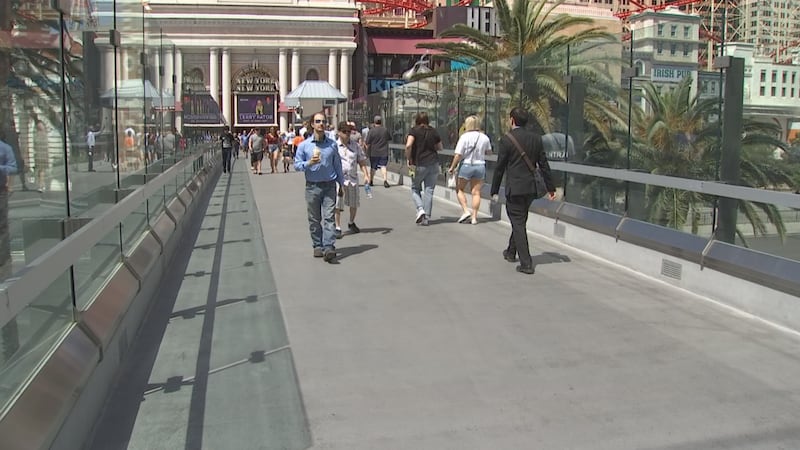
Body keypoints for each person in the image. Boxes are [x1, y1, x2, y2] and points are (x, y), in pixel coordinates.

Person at [490, 107, 556, 275]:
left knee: (518, 222)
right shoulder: (536, 139)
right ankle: (511, 252)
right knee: (519, 220)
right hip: (530, 189)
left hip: (515, 188)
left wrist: (494, 190)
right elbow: (544, 164)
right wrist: (551, 187)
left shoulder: (507, 140)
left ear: (512, 120)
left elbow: (499, 168)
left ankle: (526, 263)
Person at [294, 112, 344, 263]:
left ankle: (329, 247)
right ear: (312, 124)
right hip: (312, 186)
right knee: (314, 219)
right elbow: (296, 165)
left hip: (329, 185)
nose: (321, 124)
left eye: (323, 121)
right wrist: (309, 163)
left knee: (329, 218)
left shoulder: (332, 144)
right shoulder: (304, 145)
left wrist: (341, 184)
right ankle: (317, 245)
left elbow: (337, 165)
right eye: (317, 121)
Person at [447, 115, 492, 225]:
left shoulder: (464, 137)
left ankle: (466, 210)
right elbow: (489, 152)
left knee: (460, 189)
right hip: (480, 166)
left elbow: (458, 154)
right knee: (476, 193)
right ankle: (474, 218)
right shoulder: (484, 137)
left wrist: (452, 167)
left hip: (466, 165)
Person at [405, 112, 443, 226]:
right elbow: (440, 147)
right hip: (433, 163)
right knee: (429, 190)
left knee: (415, 188)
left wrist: (409, 158)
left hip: (419, 163)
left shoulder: (414, 131)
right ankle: (426, 218)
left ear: (417, 120)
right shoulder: (434, 131)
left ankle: (420, 208)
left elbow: (408, 145)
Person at [334, 121, 370, 238]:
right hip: (339, 179)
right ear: (339, 132)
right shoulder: (334, 146)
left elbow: (362, 160)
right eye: (344, 132)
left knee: (354, 203)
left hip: (353, 178)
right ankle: (337, 227)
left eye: (349, 132)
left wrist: (366, 174)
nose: (347, 134)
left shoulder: (355, 145)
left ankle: (351, 222)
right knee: (338, 204)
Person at [364, 115, 392, 188]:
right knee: (383, 166)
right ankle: (385, 180)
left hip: (374, 152)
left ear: (374, 122)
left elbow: (367, 142)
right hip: (384, 152)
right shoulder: (385, 130)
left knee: (373, 167)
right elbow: (389, 138)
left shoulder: (371, 131)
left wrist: (366, 152)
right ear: (381, 122)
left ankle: (371, 180)